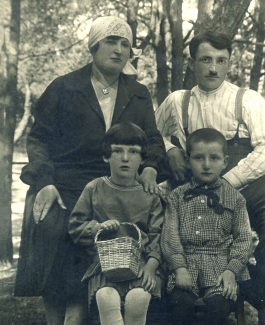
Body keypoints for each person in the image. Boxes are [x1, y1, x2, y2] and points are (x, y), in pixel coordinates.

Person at [155, 31, 265, 325]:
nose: (213, 68)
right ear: (193, 63)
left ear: (229, 63)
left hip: (258, 181)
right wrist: (169, 150)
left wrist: (227, 182)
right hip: (204, 184)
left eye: (221, 60)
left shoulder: (248, 100)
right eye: (205, 60)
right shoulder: (177, 102)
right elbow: (153, 135)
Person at [14, 16, 167, 325]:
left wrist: (150, 168)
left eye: (125, 44)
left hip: (117, 183)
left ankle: (99, 311)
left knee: (131, 229)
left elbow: (152, 141)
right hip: (67, 181)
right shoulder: (65, 87)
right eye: (111, 41)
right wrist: (44, 181)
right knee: (55, 223)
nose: (119, 49)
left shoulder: (138, 92)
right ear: (94, 46)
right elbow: (39, 138)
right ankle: (58, 317)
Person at [68, 122, 164, 325]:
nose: (126, 158)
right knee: (106, 296)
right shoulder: (95, 188)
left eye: (134, 152)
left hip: (142, 265)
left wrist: (151, 266)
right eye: (117, 151)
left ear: (143, 159)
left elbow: (158, 235)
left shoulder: (149, 195)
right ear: (106, 156)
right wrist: (98, 227)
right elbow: (75, 226)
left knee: (138, 297)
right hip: (103, 266)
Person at [161, 128, 252, 325]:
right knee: (180, 305)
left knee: (218, 308)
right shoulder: (177, 196)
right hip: (186, 265)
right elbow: (170, 237)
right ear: (188, 160)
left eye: (214, 158)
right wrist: (179, 268)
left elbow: (244, 238)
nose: (207, 165)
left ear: (225, 162)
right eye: (199, 158)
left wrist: (231, 271)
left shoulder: (235, 198)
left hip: (221, 267)